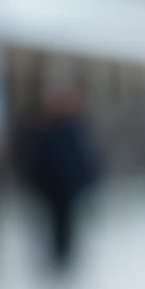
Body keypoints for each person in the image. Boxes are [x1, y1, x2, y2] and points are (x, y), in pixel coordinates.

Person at [14, 82, 102, 276]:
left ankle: (65, 260)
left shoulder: (74, 128)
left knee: (67, 225)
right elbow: (35, 158)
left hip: (69, 187)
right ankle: (57, 260)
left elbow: (86, 157)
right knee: (54, 225)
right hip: (52, 188)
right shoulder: (45, 129)